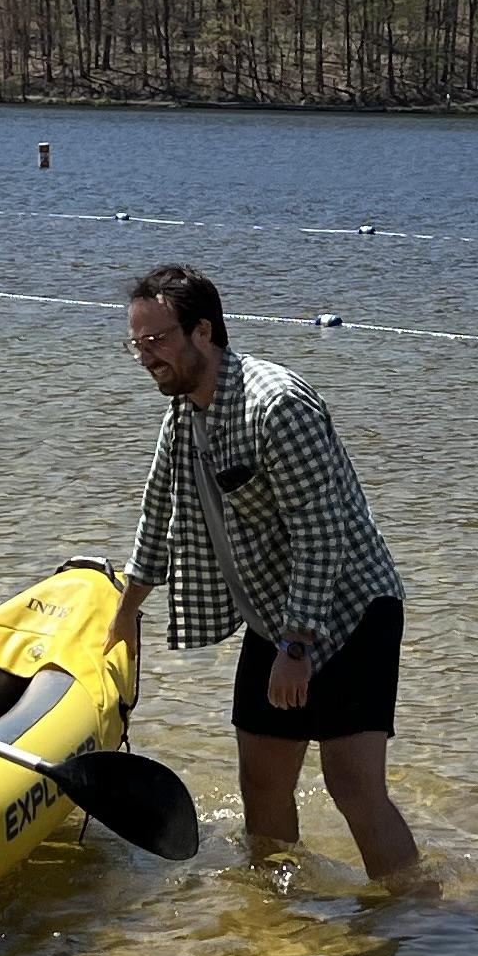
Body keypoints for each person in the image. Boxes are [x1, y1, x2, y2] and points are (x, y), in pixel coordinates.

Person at [112, 263, 428, 889]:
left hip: (349, 610)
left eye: (157, 340)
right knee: (260, 776)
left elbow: (323, 530)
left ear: (203, 331)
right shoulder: (185, 414)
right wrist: (126, 613)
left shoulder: (276, 406)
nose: (146, 356)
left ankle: (415, 914)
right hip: (275, 614)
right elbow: (158, 514)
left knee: (351, 784)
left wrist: (296, 646)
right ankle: (275, 914)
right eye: (137, 343)